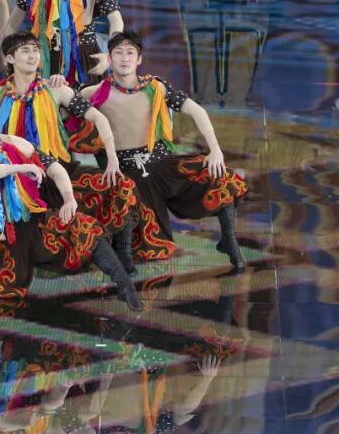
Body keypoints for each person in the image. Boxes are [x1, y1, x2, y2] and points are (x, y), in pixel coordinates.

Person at [0, 96, 141, 308]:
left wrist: (68, 198)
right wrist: (18, 168)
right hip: (0, 235)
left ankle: (125, 285)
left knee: (85, 227)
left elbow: (54, 167)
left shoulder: (15, 143)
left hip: (32, 218)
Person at [78, 31, 249, 266]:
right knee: (151, 246)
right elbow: (60, 107)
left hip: (162, 165)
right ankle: (124, 256)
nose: (125, 58)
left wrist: (215, 150)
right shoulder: (93, 93)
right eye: (118, 53)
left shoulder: (155, 87)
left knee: (221, 177)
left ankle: (229, 239)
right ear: (109, 58)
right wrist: (56, 82)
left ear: (139, 59)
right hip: (125, 172)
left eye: (130, 53)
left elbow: (197, 111)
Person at [0, 31, 138, 272]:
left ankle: (124, 254)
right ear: (9, 59)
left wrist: (112, 158)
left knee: (121, 185)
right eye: (25, 51)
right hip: (17, 178)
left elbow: (98, 119)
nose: (33, 55)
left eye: (36, 50)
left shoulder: (56, 90)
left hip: (59, 170)